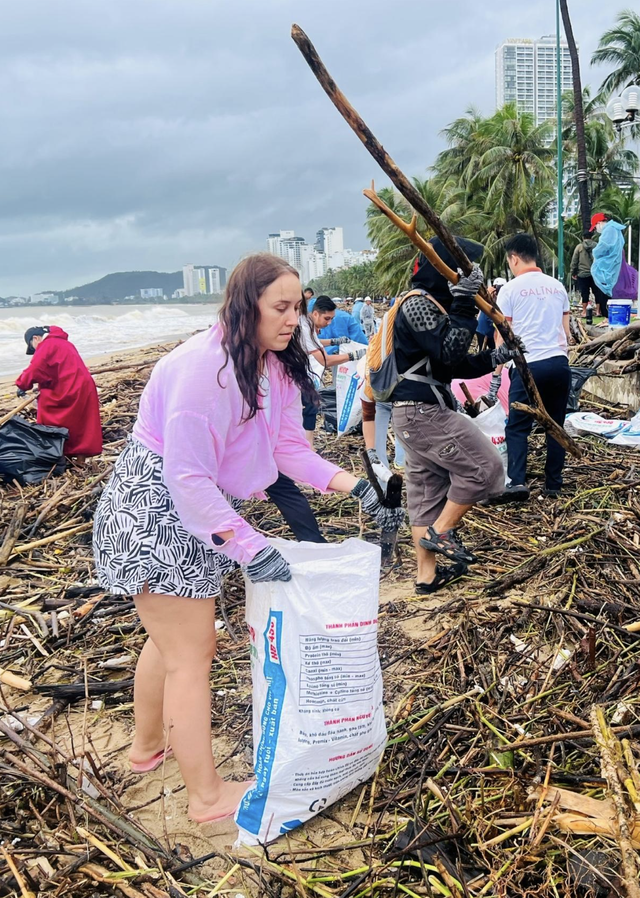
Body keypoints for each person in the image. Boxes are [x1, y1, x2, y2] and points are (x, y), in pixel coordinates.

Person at [93, 253, 401, 825]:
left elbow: (287, 449)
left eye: (298, 306)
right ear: (245, 306)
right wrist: (251, 549)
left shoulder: (272, 365)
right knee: (192, 653)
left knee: (169, 639)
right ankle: (207, 798)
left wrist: (355, 485)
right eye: (280, 307)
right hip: (155, 511)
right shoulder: (204, 371)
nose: (294, 319)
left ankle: (145, 747)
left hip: (201, 509)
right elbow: (185, 478)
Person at [385, 238, 513, 594]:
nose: (472, 274)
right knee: (487, 469)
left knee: (425, 495)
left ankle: (426, 578)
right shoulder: (417, 304)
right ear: (443, 268)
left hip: (415, 414)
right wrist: (463, 303)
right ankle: (440, 533)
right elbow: (450, 348)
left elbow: (450, 364)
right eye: (465, 267)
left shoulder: (428, 306)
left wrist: (497, 357)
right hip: (423, 413)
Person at [494, 233, 572, 502]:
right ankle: (553, 485)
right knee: (555, 425)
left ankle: (517, 483)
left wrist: (500, 367)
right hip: (559, 365)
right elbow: (566, 334)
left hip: (529, 366)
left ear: (514, 258)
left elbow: (503, 334)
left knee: (517, 427)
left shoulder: (510, 290)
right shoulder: (557, 287)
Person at [16, 325, 102, 461]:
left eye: (33, 347)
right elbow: (56, 370)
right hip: (85, 386)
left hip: (70, 388)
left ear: (35, 338)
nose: (35, 350)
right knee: (83, 423)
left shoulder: (46, 345)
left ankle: (57, 453)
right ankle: (80, 460)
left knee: (47, 414)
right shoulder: (64, 343)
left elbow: (36, 368)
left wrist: (22, 385)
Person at [299, 296, 366, 446]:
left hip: (298, 372)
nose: (328, 323)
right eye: (326, 318)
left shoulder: (307, 324)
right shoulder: (305, 327)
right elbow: (326, 360)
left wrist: (334, 341)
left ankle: (306, 445)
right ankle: (307, 446)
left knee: (309, 405)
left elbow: (314, 342)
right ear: (315, 313)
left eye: (331, 319)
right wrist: (352, 355)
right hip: (294, 374)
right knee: (309, 406)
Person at [570, 226, 607, 318]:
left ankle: (584, 312)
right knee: (597, 292)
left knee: (584, 293)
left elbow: (574, 261)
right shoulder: (597, 246)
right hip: (595, 274)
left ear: (583, 237)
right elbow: (602, 259)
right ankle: (598, 311)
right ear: (592, 237)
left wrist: (573, 272)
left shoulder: (579, 247)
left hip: (582, 274)